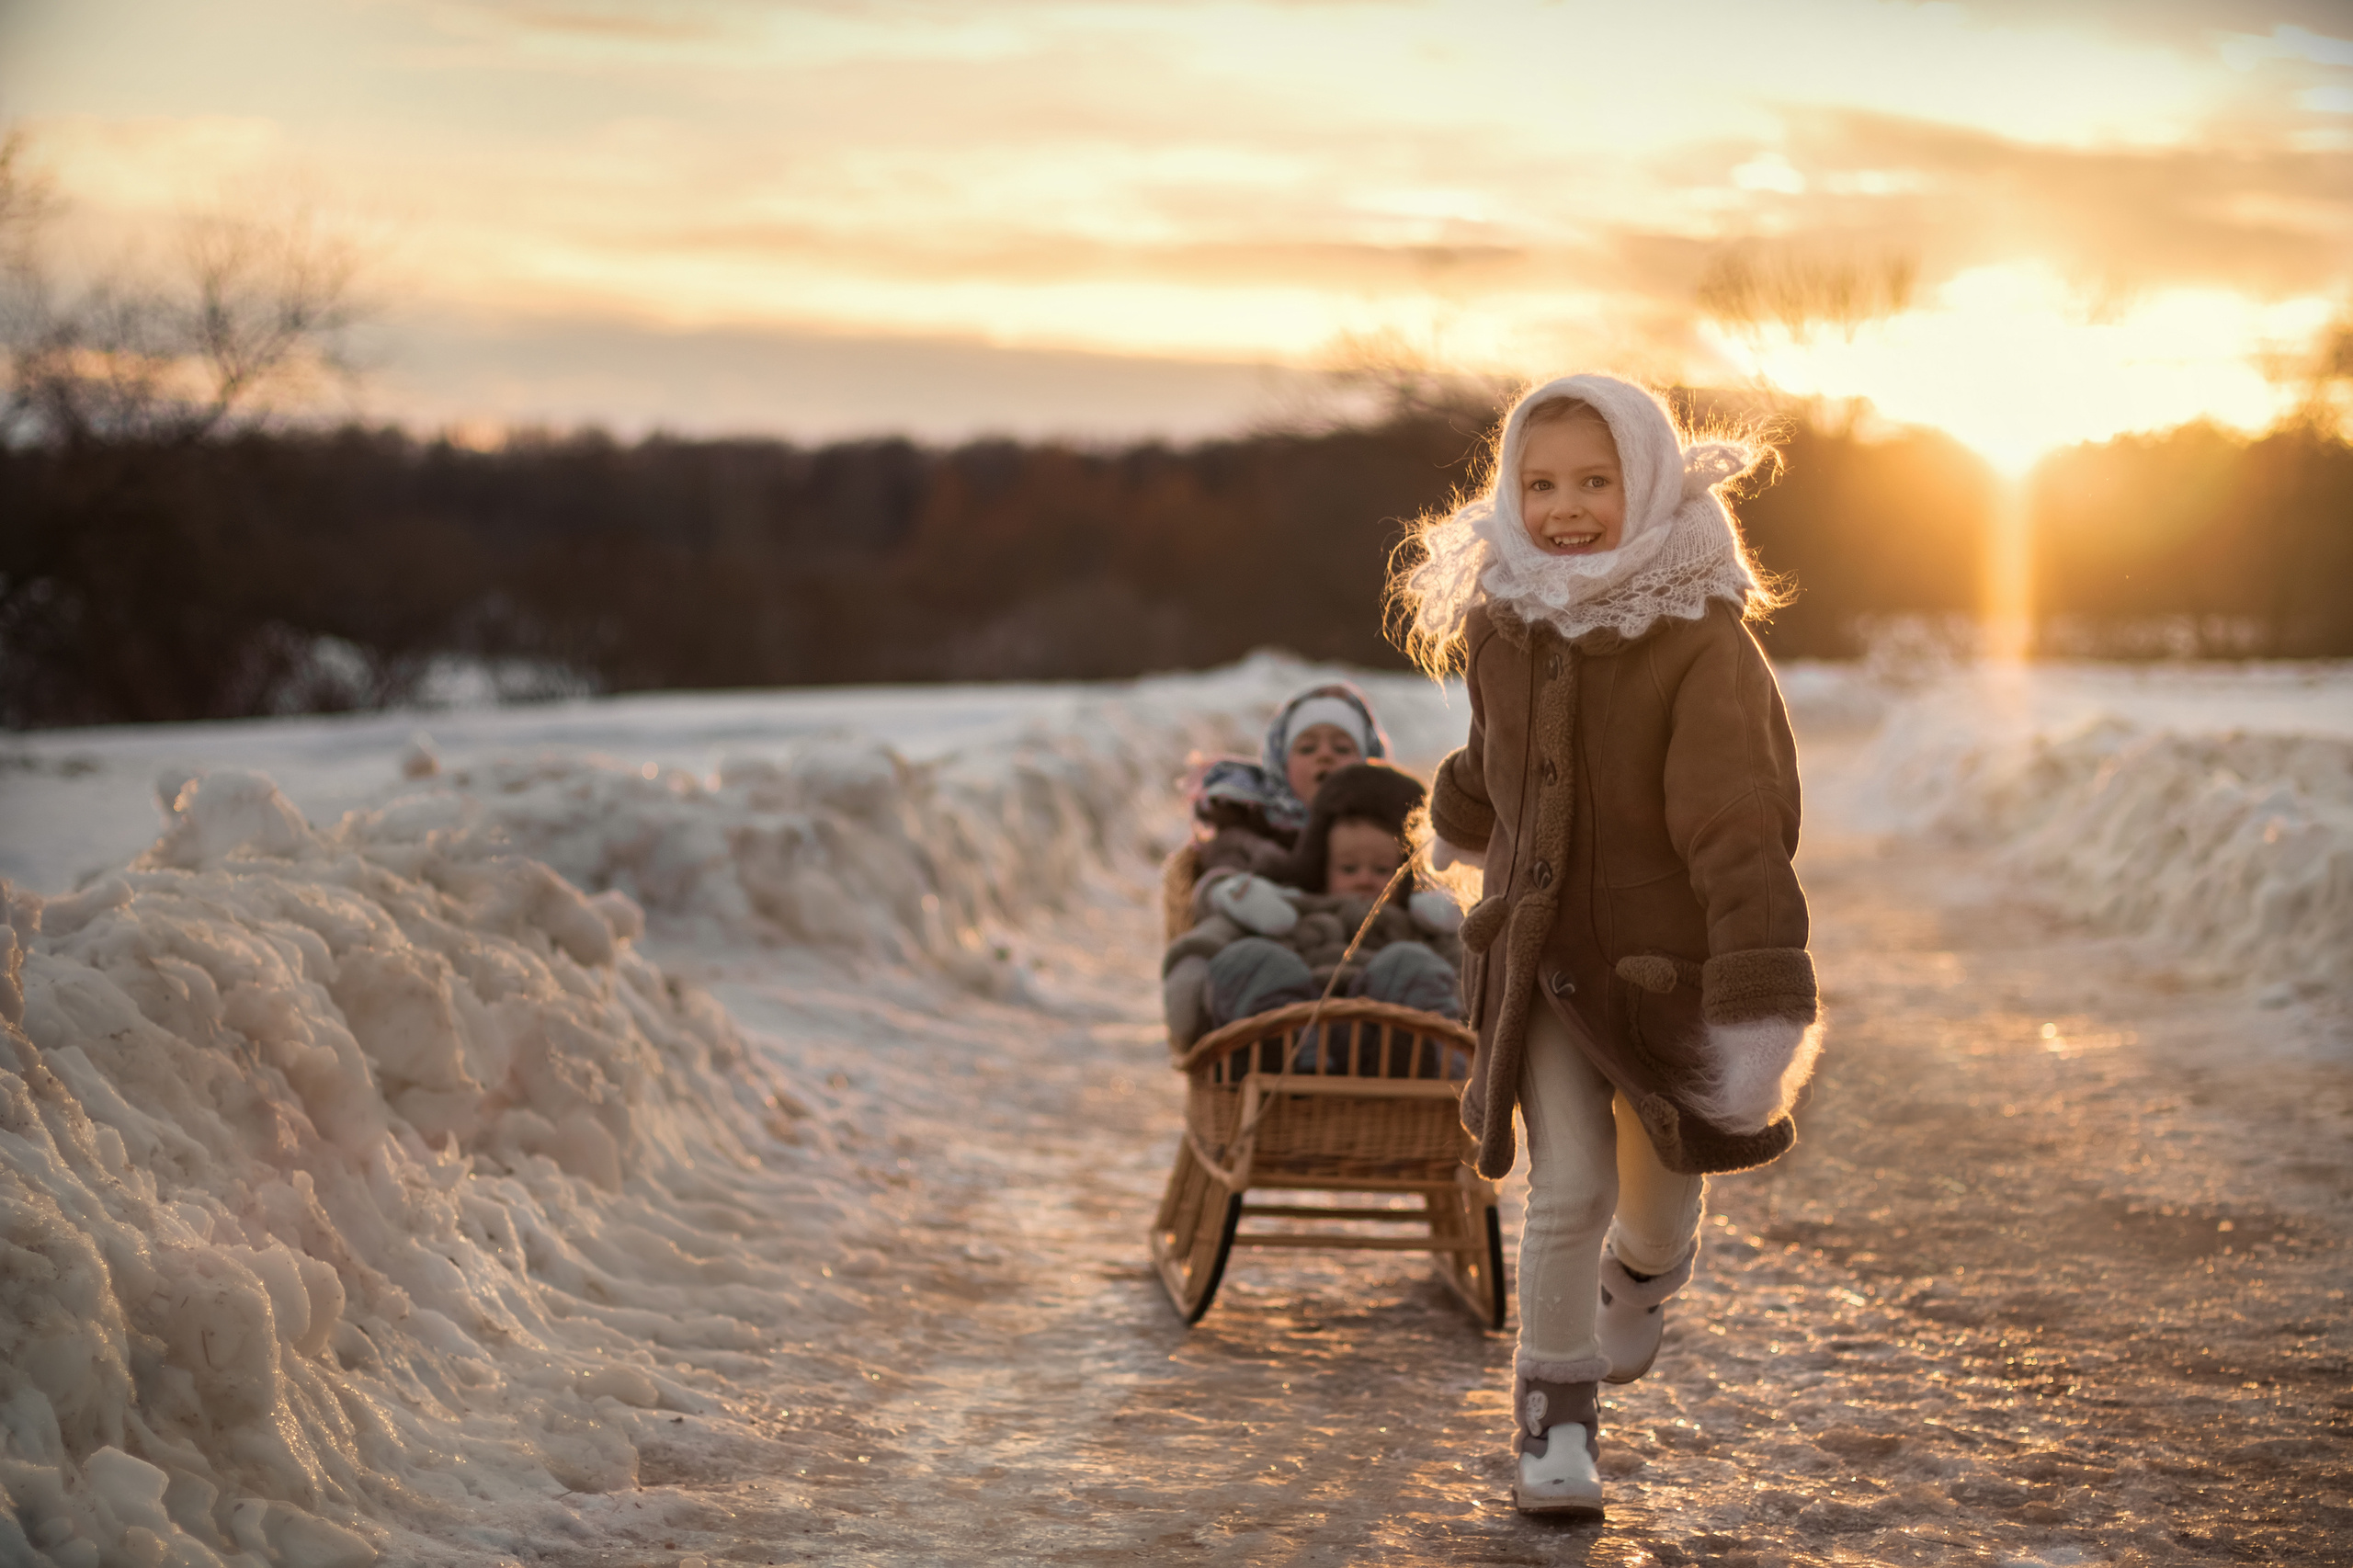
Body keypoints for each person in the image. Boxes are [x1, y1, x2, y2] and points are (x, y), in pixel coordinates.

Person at [1389, 374, 1820, 1517]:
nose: (1565, 507)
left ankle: (1648, 1270)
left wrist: (1754, 982)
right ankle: (1555, 1424)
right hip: (1538, 962)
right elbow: (1498, 751)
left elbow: (1739, 827)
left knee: (1661, 1190)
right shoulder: (1506, 616)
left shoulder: (1699, 640)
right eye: (1540, 484)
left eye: (1596, 479)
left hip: (1657, 975)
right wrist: (1458, 818)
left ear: (1651, 479)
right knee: (1565, 1184)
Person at [1163, 762, 1463, 1061]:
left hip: (1383, 1044)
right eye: (1348, 868)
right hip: (1301, 1026)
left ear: (1404, 877)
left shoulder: (1418, 926)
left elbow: (1468, 975)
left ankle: (1416, 1063)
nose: (1364, 879)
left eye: (1382, 870)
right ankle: (1291, 1062)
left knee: (1414, 965)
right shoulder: (1294, 910)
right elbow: (1217, 938)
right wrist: (1193, 971)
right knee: (1255, 957)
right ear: (1323, 869)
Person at [1188, 683, 1392, 879]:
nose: (1324, 755)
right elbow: (1218, 879)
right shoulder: (1252, 829)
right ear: (1282, 768)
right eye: (1307, 749)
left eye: (1341, 748)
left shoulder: (1387, 830)